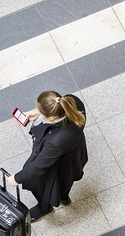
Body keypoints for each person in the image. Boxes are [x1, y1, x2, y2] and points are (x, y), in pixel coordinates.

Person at [8, 91, 87, 221]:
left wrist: (16, 179)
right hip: (74, 157)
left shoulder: (57, 141)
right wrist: (39, 113)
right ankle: (64, 197)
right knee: (67, 182)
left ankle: (44, 207)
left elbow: (38, 166)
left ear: (52, 118)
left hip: (58, 165)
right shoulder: (73, 102)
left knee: (41, 187)